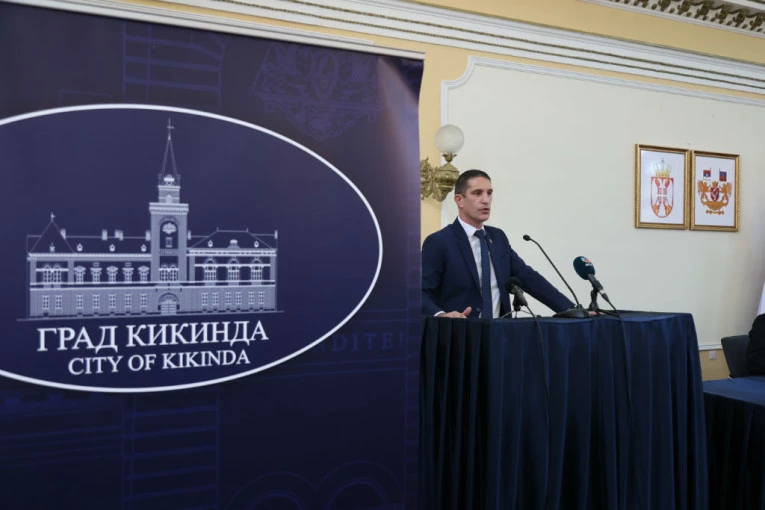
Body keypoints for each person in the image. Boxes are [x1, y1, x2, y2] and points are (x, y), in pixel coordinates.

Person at [422, 169, 574, 318]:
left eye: (489, 193)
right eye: (477, 193)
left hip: (499, 330)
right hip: (459, 331)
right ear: (459, 200)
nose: (486, 200)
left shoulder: (498, 238)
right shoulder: (439, 242)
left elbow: (528, 277)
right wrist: (441, 315)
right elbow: (420, 293)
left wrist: (570, 309)